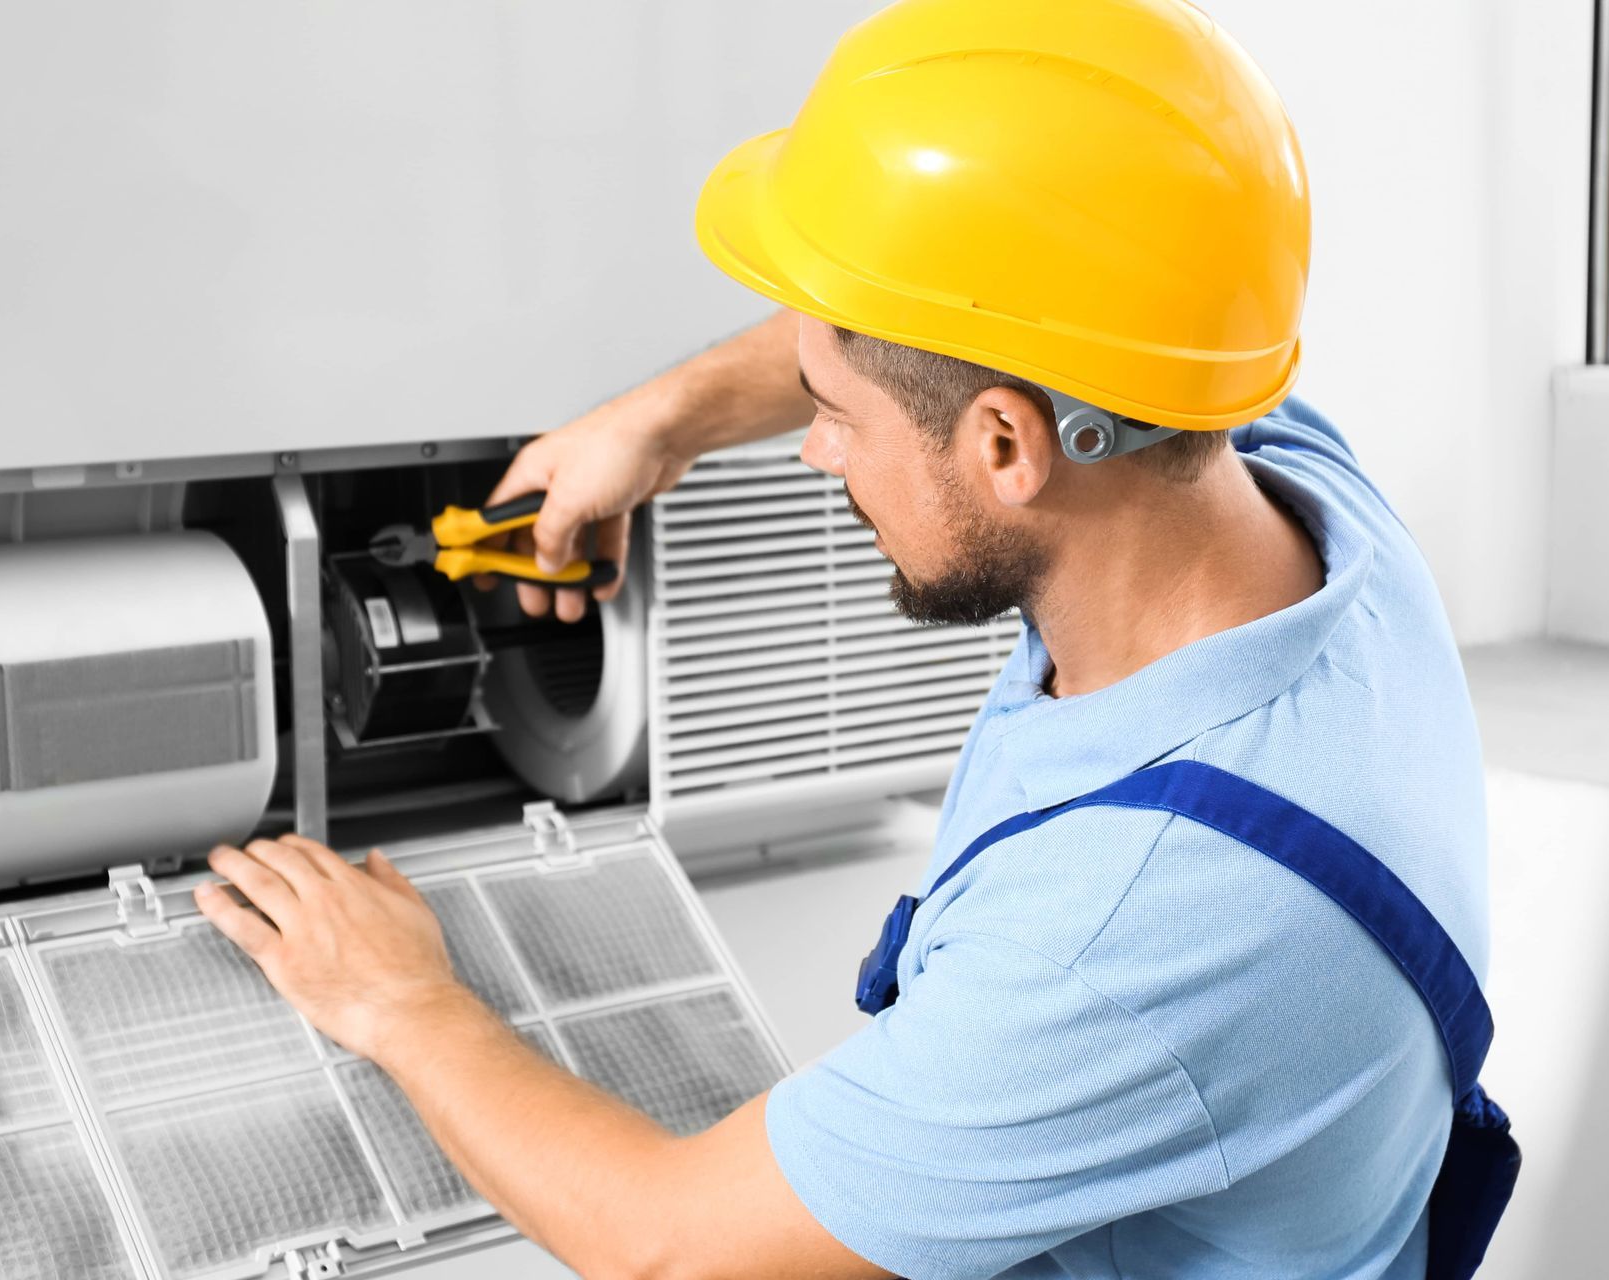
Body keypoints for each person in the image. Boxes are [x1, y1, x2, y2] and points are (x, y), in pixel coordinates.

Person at [196, 1, 1510, 1276]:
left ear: (1006, 445)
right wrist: (661, 422)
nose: (815, 448)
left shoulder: (1138, 930)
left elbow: (671, 1247)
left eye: (832, 413)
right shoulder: (1266, 479)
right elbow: (956, 312)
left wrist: (402, 1000)